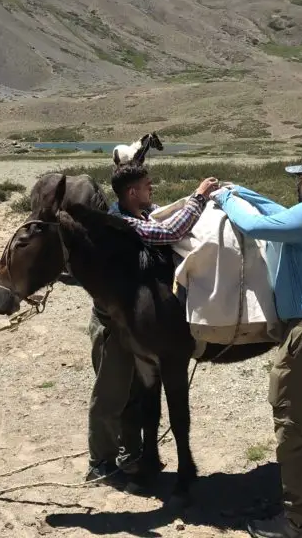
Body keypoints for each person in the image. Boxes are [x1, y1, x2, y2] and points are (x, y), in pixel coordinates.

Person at [211, 155, 302, 538]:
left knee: (293, 430)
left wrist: (227, 202)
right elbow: (278, 212)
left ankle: (296, 524)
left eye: (300, 179)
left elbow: (258, 225)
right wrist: (238, 189)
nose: (297, 185)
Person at [85, 163, 219, 491]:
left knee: (138, 391)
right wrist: (199, 198)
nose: (152, 189)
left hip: (133, 321)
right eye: (147, 186)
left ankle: (138, 455)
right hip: (116, 325)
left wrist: (192, 201)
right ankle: (101, 463)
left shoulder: (140, 211)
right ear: (132, 193)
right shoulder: (123, 224)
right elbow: (168, 233)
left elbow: (165, 216)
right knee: (113, 393)